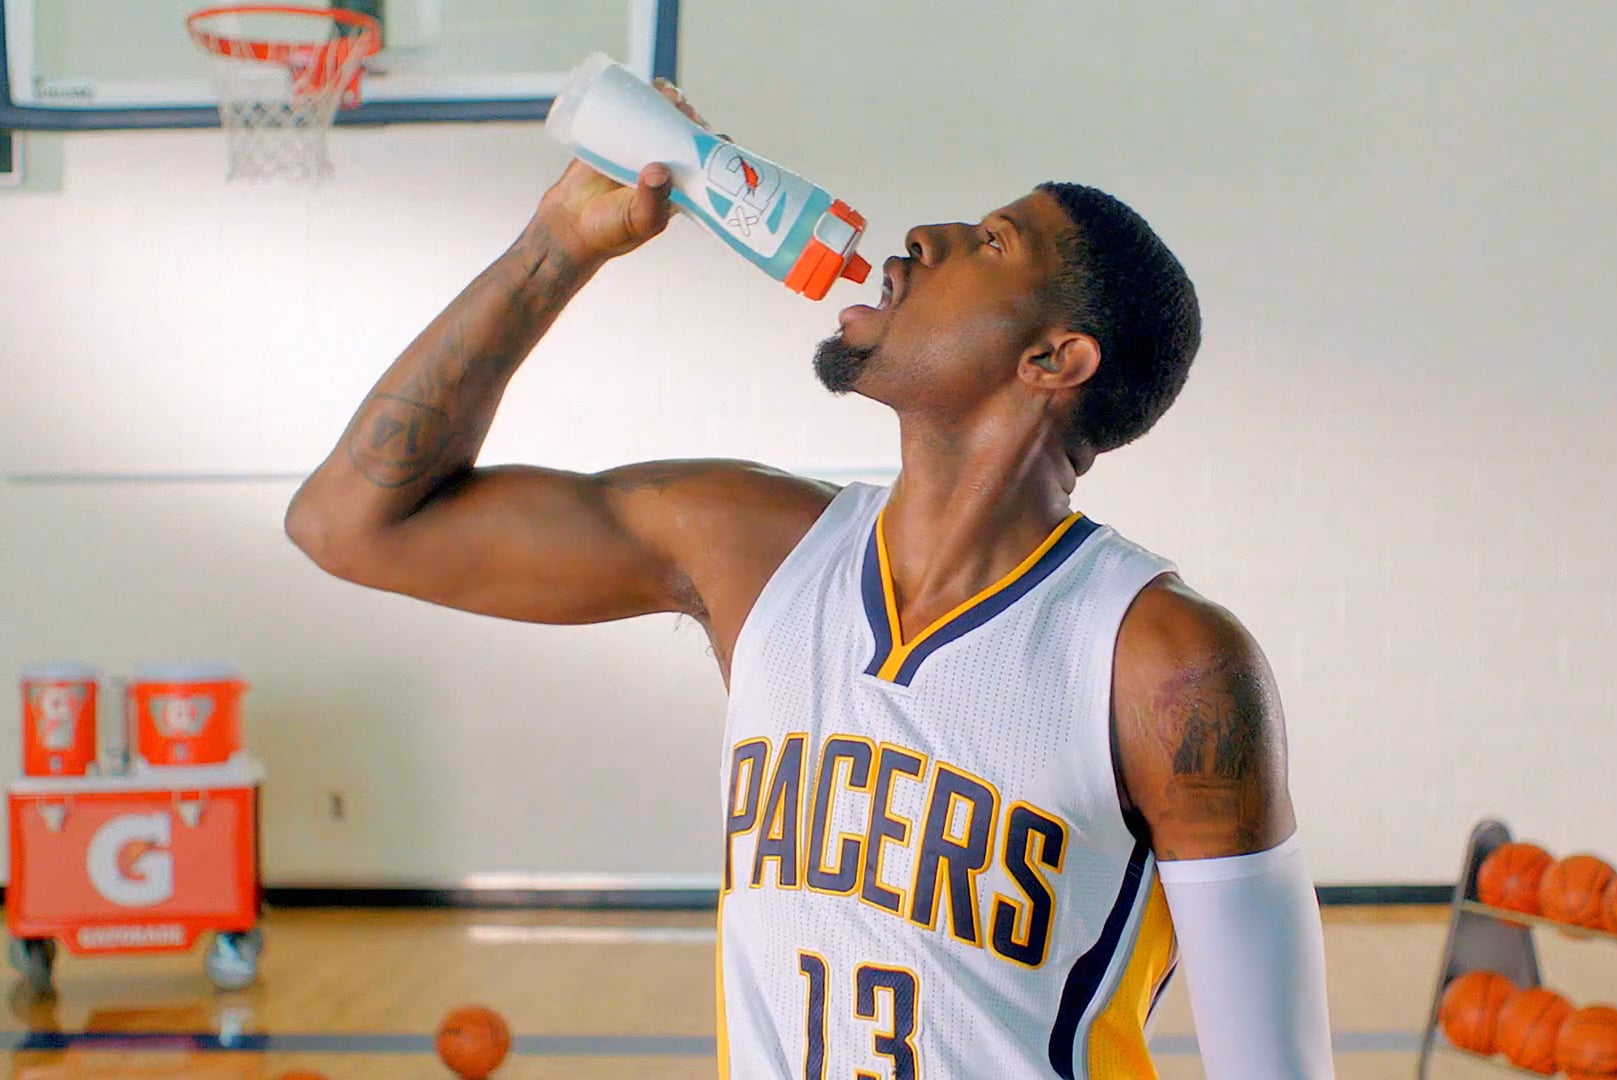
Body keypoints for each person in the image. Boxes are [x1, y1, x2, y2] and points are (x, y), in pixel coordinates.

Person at [286, 82, 1334, 1079]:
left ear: (1055, 360)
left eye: (993, 242)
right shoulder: (752, 546)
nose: (925, 238)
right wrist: (558, 246)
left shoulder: (1167, 664)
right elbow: (350, 524)